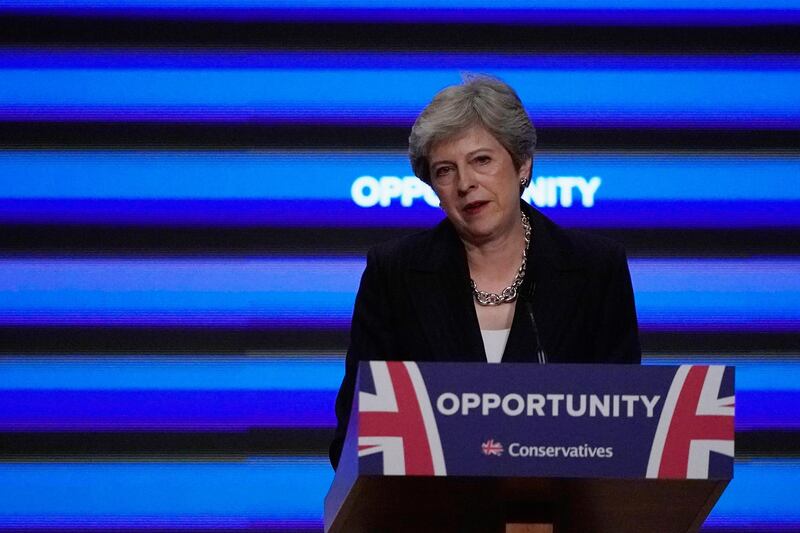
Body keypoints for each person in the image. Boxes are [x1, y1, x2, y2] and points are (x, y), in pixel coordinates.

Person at [330, 75, 640, 469]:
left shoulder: (596, 269)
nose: (465, 184)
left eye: (482, 160)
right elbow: (355, 431)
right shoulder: (394, 274)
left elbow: (625, 427)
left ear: (522, 164)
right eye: (445, 170)